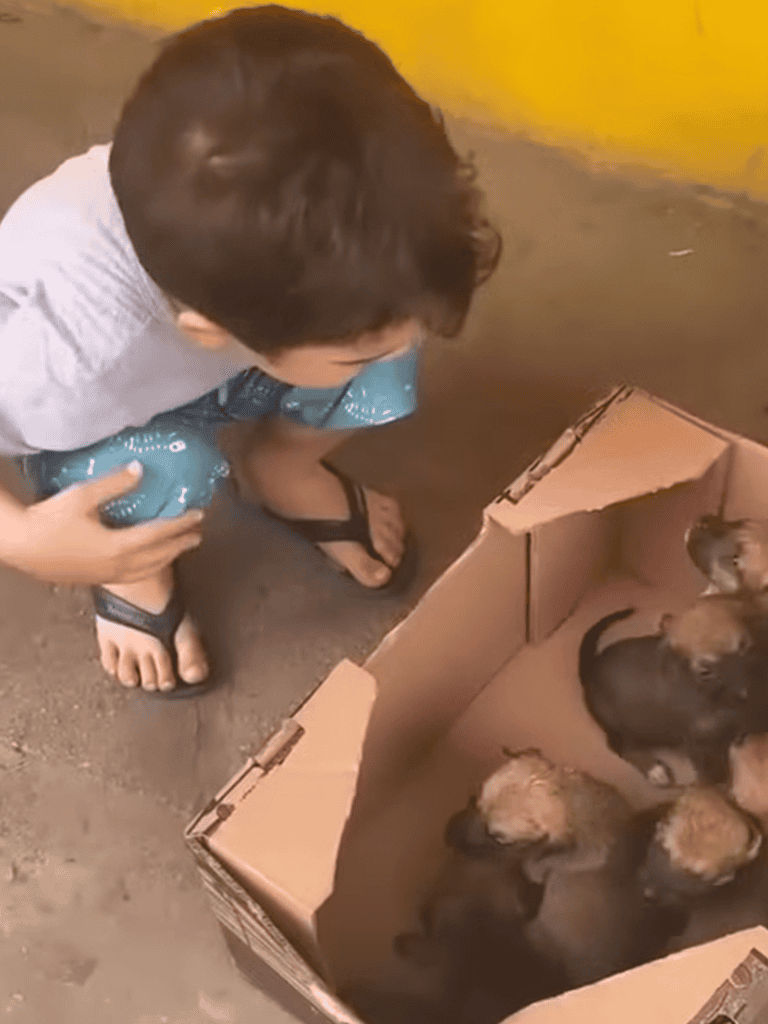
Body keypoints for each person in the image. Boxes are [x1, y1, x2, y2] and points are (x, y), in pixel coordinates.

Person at [0, 5, 500, 698]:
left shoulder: (255, 234)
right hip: (108, 417)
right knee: (167, 470)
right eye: (355, 350)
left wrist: (363, 345)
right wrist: (22, 540)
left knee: (383, 345)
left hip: (225, 354)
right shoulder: (67, 355)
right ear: (210, 329)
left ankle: (280, 467)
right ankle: (130, 568)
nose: (411, 346)